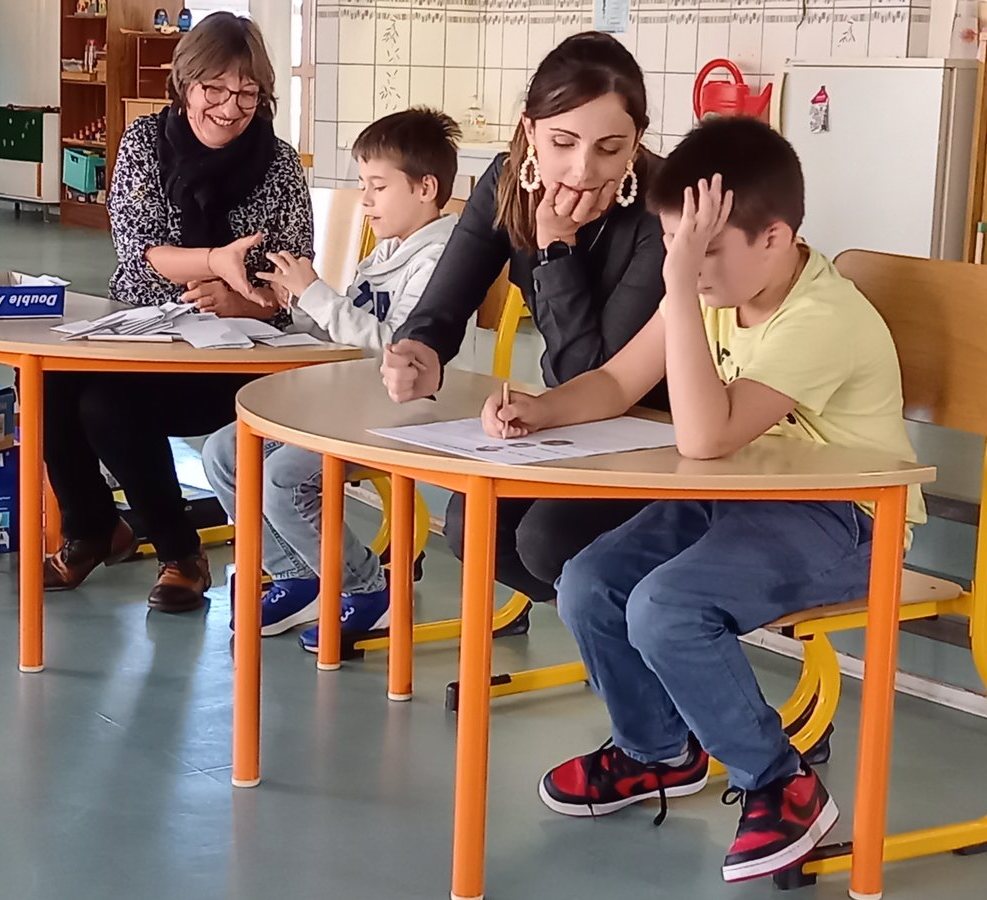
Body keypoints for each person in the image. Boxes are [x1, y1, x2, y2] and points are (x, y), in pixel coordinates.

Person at [483, 118, 926, 882]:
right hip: (742, 498)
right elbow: (622, 380)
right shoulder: (725, 288)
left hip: (849, 518)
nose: (686, 267)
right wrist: (537, 408)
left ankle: (779, 780)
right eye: (678, 247)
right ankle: (655, 750)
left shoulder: (821, 318)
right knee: (590, 581)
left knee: (665, 608)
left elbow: (706, 436)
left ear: (776, 237)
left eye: (704, 249)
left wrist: (679, 286)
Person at [381, 32, 666, 608]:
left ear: (637, 142)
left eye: (610, 149)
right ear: (530, 129)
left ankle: (625, 635)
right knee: (473, 525)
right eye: (563, 141)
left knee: (546, 538)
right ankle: (614, 630)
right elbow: (442, 304)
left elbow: (592, 373)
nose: (582, 169)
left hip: (657, 428)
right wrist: (421, 351)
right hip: (570, 422)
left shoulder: (662, 207)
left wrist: (555, 249)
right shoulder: (507, 180)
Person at [42, 13, 312, 614]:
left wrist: (242, 300)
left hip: (240, 357)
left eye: (247, 93)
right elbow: (139, 251)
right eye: (214, 89)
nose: (230, 106)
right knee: (47, 379)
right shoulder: (144, 143)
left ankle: (180, 553)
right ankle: (92, 528)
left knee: (108, 406)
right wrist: (217, 260)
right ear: (184, 84)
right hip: (146, 333)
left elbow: (296, 279)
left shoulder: (280, 164)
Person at [202, 108, 461, 651]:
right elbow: (343, 331)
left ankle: (367, 588)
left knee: (281, 480)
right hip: (347, 400)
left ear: (426, 188)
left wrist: (319, 292)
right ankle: (298, 574)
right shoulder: (387, 250)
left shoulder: (442, 257)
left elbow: (399, 350)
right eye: (362, 185)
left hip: (401, 411)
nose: (365, 200)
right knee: (223, 454)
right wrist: (292, 303)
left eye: (377, 186)